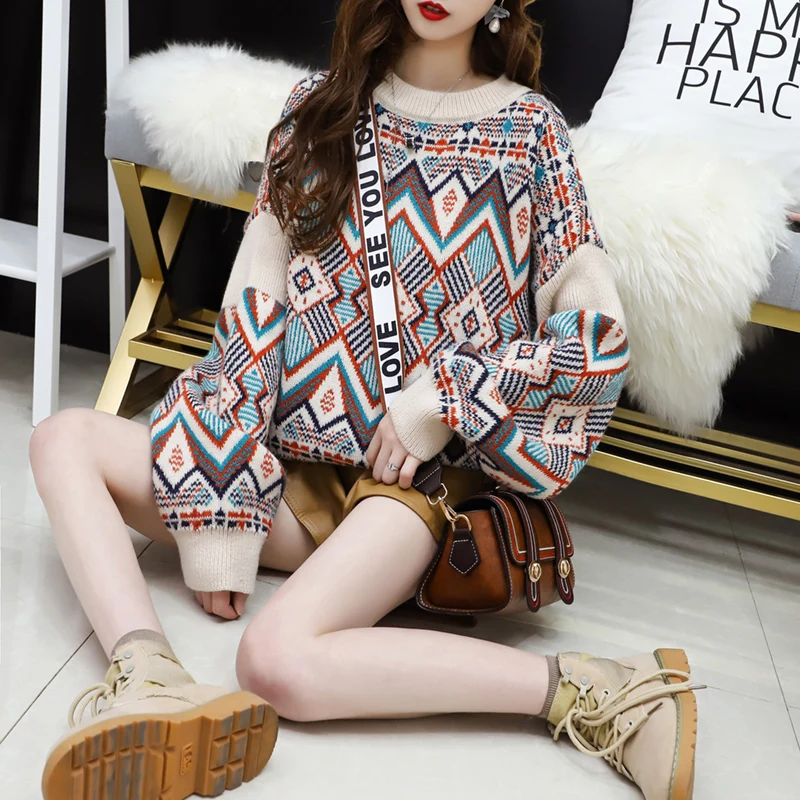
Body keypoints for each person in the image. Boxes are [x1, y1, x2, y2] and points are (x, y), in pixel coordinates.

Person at [30, 2, 702, 799]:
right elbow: (253, 315)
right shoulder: (317, 114)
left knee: (274, 663)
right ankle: (149, 678)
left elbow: (596, 342)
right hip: (298, 477)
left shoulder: (532, 135)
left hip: (418, 489)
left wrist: (442, 399)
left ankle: (600, 689)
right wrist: (220, 497)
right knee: (62, 440)